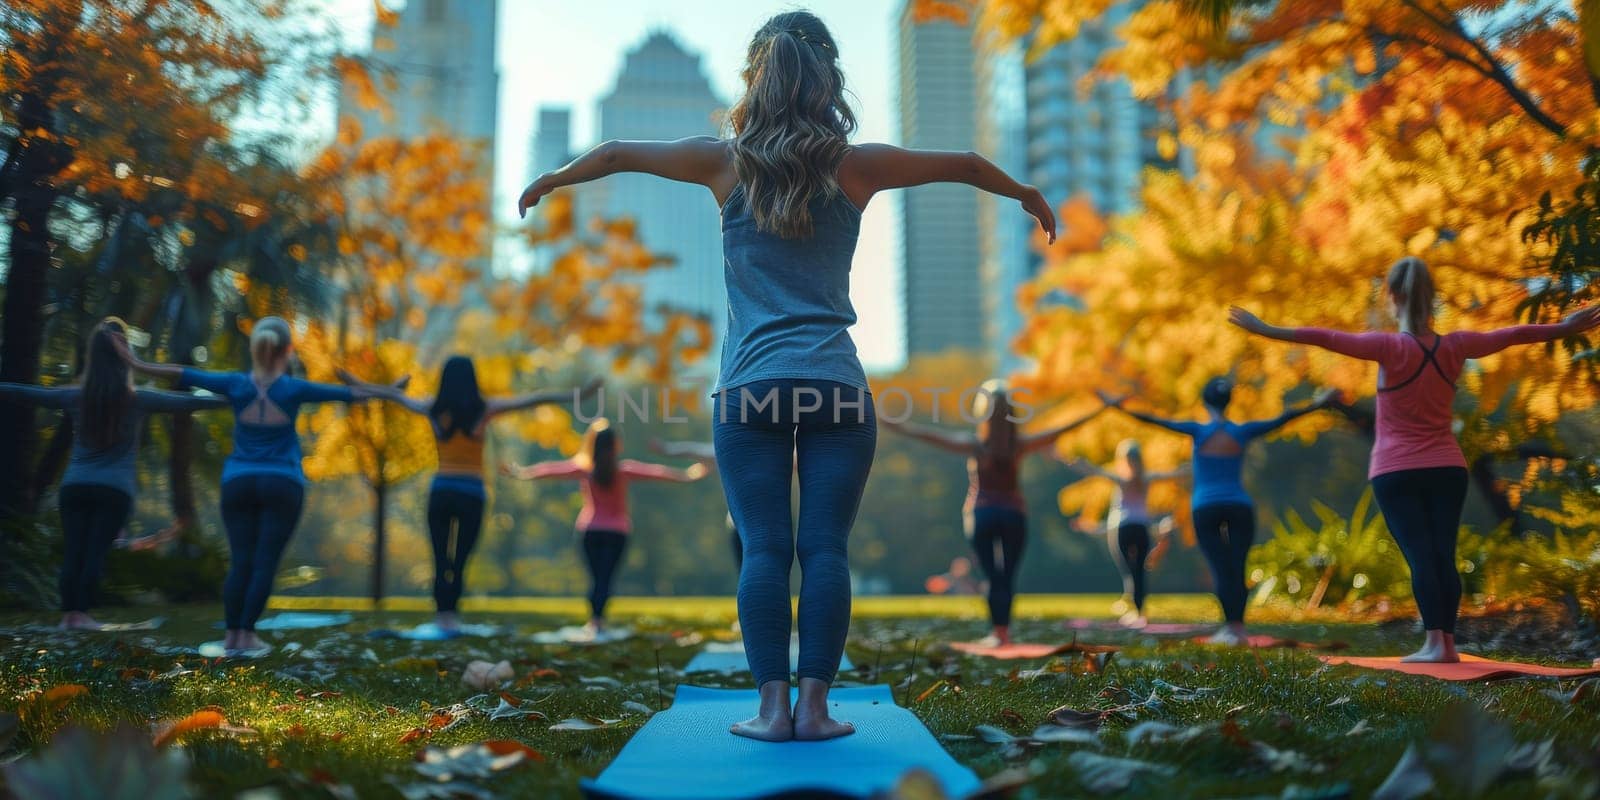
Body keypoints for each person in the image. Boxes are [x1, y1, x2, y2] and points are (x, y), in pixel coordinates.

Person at [517, 10, 1055, 741]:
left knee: (766, 548)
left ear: (754, 79)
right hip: (835, 385)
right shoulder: (856, 165)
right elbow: (961, 160)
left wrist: (553, 179)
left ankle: (771, 711)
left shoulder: (723, 163)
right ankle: (816, 709)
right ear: (829, 78)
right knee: (825, 548)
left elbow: (614, 153)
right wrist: (1024, 193)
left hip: (748, 391)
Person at [1229, 256, 1600, 662]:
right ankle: (1447, 645)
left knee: (1422, 556)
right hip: (1447, 467)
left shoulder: (1387, 347)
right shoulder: (1456, 345)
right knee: (1442, 553)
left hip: (1396, 470)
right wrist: (1565, 327)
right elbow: (1511, 334)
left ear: (1392, 296)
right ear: (1432, 296)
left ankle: (1432, 644)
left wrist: (1264, 329)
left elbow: (1325, 337)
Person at [115, 316, 395, 656]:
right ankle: (247, 636)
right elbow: (354, 395)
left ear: (255, 349)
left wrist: (137, 362)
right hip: (282, 483)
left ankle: (232, 637)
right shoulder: (294, 388)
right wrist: (389, 389)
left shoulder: (236, 384)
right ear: (287, 350)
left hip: (239, 482)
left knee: (241, 561)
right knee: (265, 562)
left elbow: (182, 374)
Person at [337, 358, 597, 632]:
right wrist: (577, 395)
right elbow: (532, 399)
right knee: (459, 562)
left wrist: (356, 384)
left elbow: (393, 396)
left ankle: (442, 618)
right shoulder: (484, 408)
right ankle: (451, 619)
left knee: (440, 559)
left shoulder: (432, 407)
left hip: (441, 491)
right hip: (472, 494)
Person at [0, 318, 227, 631]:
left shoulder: (74, 396)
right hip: (114, 491)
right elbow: (188, 402)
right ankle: (81, 615)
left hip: (75, 487)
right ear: (125, 357)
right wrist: (234, 398)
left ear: (93, 356)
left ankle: (70, 616)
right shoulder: (139, 399)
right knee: (94, 552)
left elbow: (24, 393)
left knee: (74, 551)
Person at [1103, 382, 1335, 645]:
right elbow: (1282, 419)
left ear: (1205, 403)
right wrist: (1317, 403)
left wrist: (1117, 406)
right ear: (1229, 401)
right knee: (1236, 567)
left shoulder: (1198, 431)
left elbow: (1156, 421)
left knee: (1221, 569)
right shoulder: (1242, 431)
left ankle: (1230, 629)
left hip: (1206, 509)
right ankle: (1238, 628)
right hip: (1239, 506)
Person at [882, 381, 1105, 647]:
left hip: (982, 514)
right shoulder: (1019, 445)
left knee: (992, 576)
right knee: (1007, 577)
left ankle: (996, 634)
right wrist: (1103, 408)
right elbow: (1062, 429)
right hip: (1013, 515)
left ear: (983, 411)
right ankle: (1004, 633)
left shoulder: (976, 444)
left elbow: (932, 435)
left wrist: (901, 427)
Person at [503, 419, 706, 634]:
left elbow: (552, 470)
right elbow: (657, 472)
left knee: (597, 579)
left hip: (590, 532)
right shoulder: (623, 470)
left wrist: (521, 473)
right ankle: (598, 622)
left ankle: (595, 621)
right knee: (605, 579)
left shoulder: (585, 470)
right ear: (615, 445)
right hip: (616, 533)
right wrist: (688, 475)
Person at [1061, 440, 1188, 627]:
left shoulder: (1121, 480)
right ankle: (1139, 612)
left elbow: (1096, 471)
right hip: (1140, 528)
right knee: (1139, 572)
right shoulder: (1146, 478)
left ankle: (1135, 612)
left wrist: (1075, 462)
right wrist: (1190, 468)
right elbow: (1172, 474)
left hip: (1122, 528)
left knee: (1129, 571)